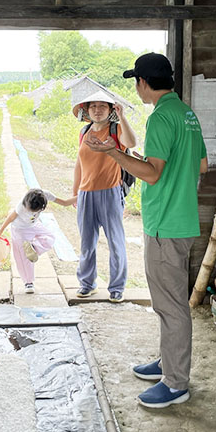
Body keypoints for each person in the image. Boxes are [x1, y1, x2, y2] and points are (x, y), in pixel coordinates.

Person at [85, 53, 207, 408]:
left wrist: (113, 153)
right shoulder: (185, 113)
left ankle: (176, 382)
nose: (136, 89)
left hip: (166, 224)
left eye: (136, 82)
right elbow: (201, 164)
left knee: (171, 306)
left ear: (143, 82)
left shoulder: (160, 117)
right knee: (168, 301)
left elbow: (152, 173)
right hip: (181, 219)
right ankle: (168, 362)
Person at [71, 90, 137, 303]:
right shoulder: (84, 131)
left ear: (110, 110)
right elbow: (80, 163)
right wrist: (75, 192)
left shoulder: (116, 129)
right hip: (85, 194)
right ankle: (87, 284)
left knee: (115, 242)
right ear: (86, 111)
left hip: (110, 192)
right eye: (93, 106)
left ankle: (116, 288)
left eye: (102, 106)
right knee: (86, 243)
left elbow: (131, 143)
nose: (97, 110)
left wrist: (122, 117)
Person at [0, 188, 73, 294]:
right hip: (20, 230)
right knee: (23, 258)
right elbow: (11, 218)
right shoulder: (21, 205)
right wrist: (1, 230)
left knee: (50, 237)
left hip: (34, 225)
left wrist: (83, 195)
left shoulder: (46, 195)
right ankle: (28, 283)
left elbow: (64, 203)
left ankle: (33, 247)